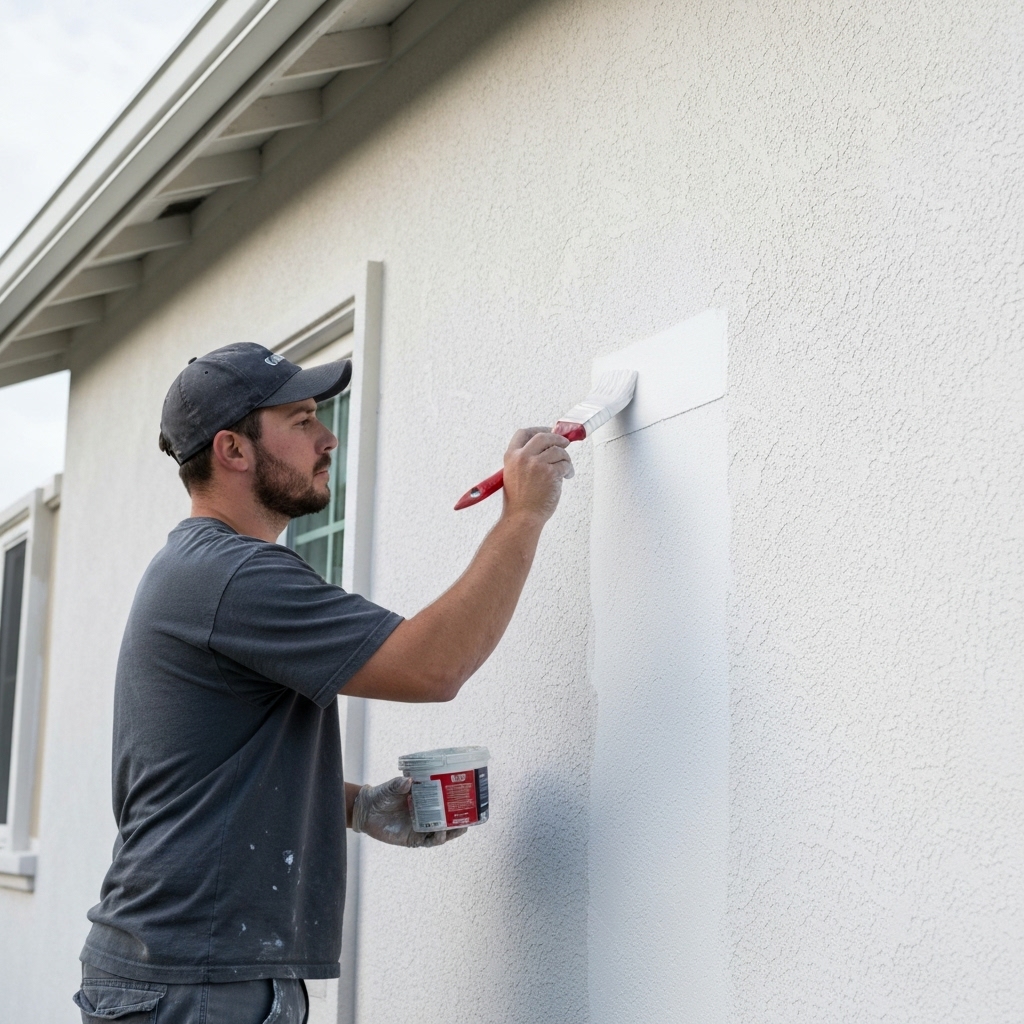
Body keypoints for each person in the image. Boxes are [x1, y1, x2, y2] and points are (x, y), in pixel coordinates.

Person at [73, 343, 574, 1024]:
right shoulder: (232, 575)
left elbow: (200, 773)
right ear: (234, 450)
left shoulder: (201, 569)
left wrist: (359, 805)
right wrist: (523, 516)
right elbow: (434, 665)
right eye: (303, 420)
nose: (328, 436)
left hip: (194, 973)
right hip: (195, 984)